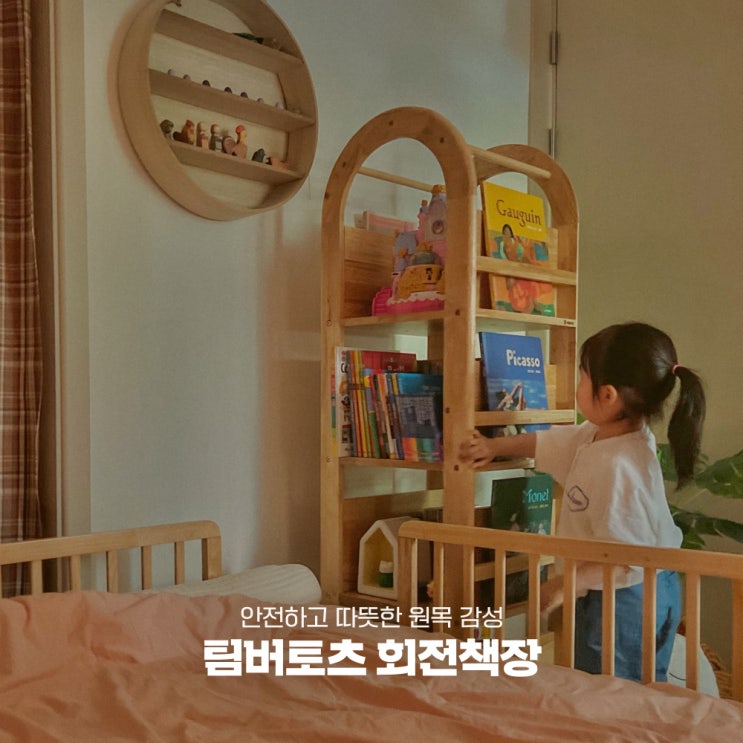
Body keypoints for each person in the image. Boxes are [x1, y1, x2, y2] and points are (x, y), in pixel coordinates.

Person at [458, 322, 706, 682]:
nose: (577, 387)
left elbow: (626, 557)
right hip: (629, 585)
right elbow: (548, 442)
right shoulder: (602, 436)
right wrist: (494, 446)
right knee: (628, 685)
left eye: (581, 378)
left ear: (607, 396)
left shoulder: (619, 466)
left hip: (626, 594)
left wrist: (564, 584)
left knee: (610, 689)